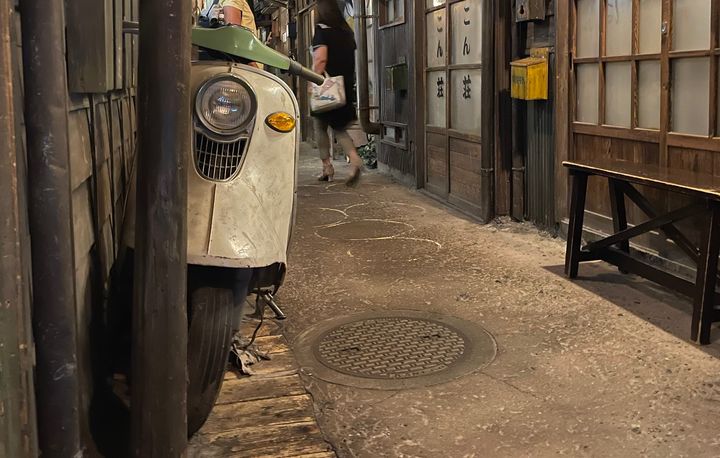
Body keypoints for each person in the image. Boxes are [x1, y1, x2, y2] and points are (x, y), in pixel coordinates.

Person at [311, 0, 363, 186]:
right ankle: (354, 160)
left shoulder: (321, 31)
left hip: (326, 87)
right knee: (339, 127)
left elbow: (320, 60)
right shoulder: (346, 31)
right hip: (344, 86)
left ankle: (327, 168)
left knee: (319, 126)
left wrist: (313, 80)